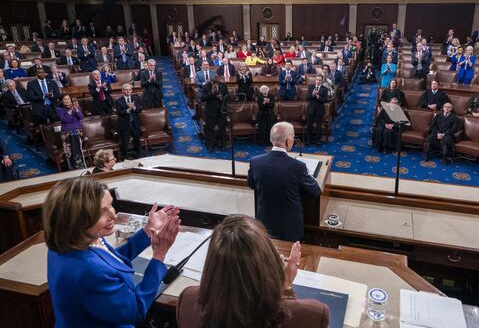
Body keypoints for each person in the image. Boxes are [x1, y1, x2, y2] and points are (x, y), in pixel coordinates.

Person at [44, 177, 181, 328]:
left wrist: (148, 231)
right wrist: (159, 256)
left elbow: (108, 259)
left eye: (110, 205)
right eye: (102, 212)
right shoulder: (91, 271)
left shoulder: (71, 240)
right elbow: (134, 313)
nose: (113, 215)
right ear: (78, 219)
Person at [177, 215, 329, 328]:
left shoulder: (187, 300)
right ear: (270, 263)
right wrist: (286, 287)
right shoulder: (313, 315)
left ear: (212, 266)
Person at [247, 122, 321, 241]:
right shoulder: (298, 167)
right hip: (289, 228)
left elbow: (251, 184)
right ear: (288, 142)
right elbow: (316, 191)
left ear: (272, 139)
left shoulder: (255, 161)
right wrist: (306, 173)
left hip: (263, 225)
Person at [56, 95, 86, 169]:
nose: (67, 101)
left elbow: (81, 117)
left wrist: (77, 110)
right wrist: (69, 110)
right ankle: (71, 167)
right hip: (67, 133)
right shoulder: (59, 109)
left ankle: (81, 166)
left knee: (79, 149)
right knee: (69, 152)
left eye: (69, 99)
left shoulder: (75, 106)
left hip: (78, 131)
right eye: (65, 99)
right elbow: (65, 120)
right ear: (62, 101)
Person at [115, 83, 143, 159]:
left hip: (134, 123)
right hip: (124, 124)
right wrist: (128, 109)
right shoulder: (118, 100)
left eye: (129, 89)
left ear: (131, 90)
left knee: (137, 139)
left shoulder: (136, 98)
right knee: (125, 142)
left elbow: (140, 109)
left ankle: (139, 154)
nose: (128, 91)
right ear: (122, 91)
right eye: (126, 90)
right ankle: (124, 156)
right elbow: (118, 112)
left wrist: (134, 108)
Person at [202, 75, 229, 152]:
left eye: (217, 82)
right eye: (214, 82)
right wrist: (212, 92)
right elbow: (203, 98)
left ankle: (223, 145)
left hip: (221, 111)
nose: (216, 84)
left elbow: (227, 97)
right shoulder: (206, 86)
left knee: (222, 129)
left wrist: (222, 98)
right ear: (211, 81)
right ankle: (210, 146)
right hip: (211, 111)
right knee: (210, 129)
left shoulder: (223, 85)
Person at [306, 75, 329, 146]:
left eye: (320, 80)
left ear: (322, 81)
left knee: (318, 126)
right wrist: (313, 94)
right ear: (315, 80)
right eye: (317, 80)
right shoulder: (311, 87)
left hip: (319, 109)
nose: (318, 81)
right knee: (309, 125)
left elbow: (325, 100)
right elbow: (307, 98)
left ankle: (318, 140)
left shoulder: (325, 89)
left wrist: (318, 96)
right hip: (311, 109)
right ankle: (308, 140)